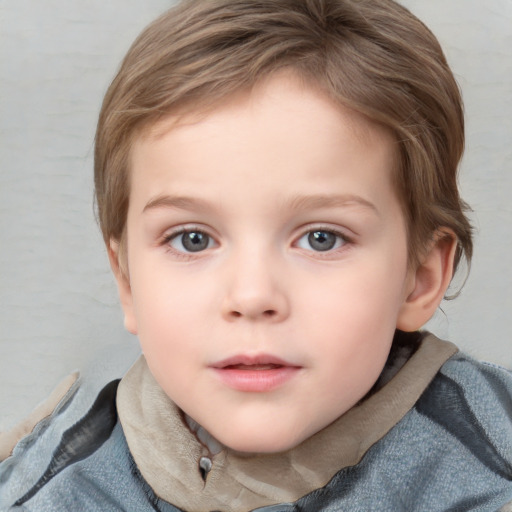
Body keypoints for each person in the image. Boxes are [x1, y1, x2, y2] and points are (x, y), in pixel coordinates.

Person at [1, 0, 511, 510]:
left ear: (419, 277)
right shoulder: (49, 489)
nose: (252, 296)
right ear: (128, 281)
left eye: (321, 238)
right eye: (192, 239)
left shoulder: (491, 469)